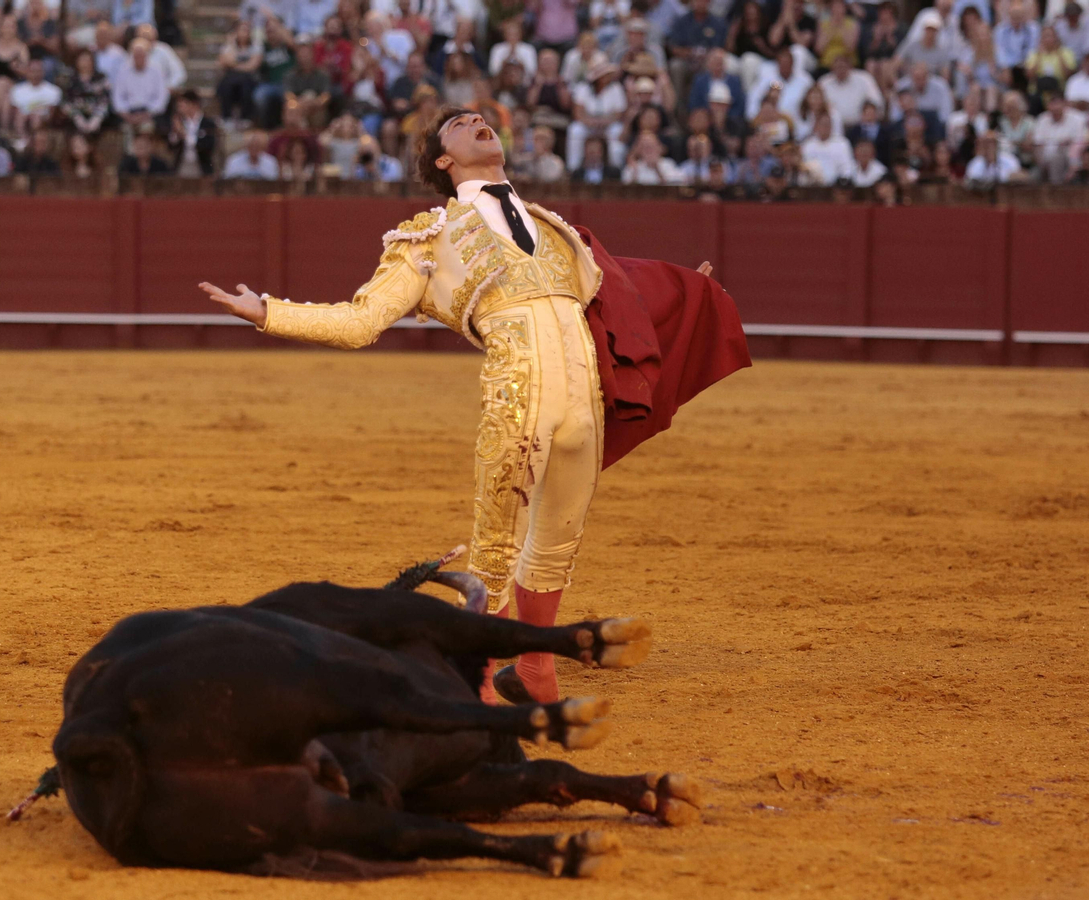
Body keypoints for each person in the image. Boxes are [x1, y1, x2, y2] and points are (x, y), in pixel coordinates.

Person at [199, 105, 749, 705]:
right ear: (443, 158)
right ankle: (480, 682)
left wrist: (686, 297)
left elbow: (617, 298)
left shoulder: (555, 228)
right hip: (517, 398)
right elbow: (362, 321)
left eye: (482, 117)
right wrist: (269, 312)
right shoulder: (429, 236)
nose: (479, 121)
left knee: (556, 545)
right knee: (495, 549)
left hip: (582, 402)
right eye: (461, 123)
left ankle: (537, 671)